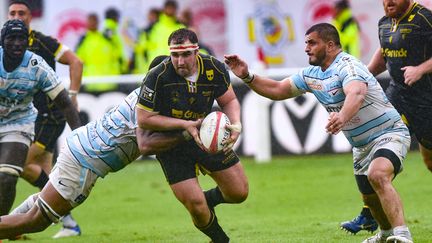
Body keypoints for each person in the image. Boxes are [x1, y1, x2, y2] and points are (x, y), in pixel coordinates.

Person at [225, 23, 413, 243]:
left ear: (330, 45)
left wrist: (341, 117)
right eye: (306, 43)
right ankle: (387, 234)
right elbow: (277, 90)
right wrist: (247, 76)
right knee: (370, 199)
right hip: (361, 146)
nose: (306, 48)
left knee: (378, 175)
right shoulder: (312, 74)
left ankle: (402, 235)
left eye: (312, 43)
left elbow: (357, 93)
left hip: (388, 132)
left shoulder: (348, 66)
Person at [0, 55, 191, 240]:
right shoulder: (147, 105)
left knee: (38, 205)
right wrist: (186, 133)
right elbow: (146, 144)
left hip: (82, 150)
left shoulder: (146, 97)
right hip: (84, 160)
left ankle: (9, 229)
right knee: (38, 220)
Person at [136, 28, 248, 243]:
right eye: (175, 55)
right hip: (170, 144)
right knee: (197, 208)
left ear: (197, 51)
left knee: (239, 192)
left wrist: (236, 124)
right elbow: (143, 119)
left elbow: (230, 101)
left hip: (205, 136)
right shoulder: (157, 75)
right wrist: (185, 125)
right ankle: (220, 239)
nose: (180, 61)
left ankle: (205, 201)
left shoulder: (214, 68)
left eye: (186, 54)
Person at [341, 0, 432, 239]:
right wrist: (363, 76)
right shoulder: (384, 24)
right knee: (377, 151)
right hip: (396, 97)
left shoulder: (424, 19)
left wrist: (421, 69)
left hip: (427, 101)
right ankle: (369, 212)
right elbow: (384, 54)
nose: (388, 1)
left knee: (430, 162)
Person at [7, 0, 83, 238]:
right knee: (44, 175)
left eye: (22, 13)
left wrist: (72, 94)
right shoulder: (6, 44)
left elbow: (76, 61)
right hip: (30, 119)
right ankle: (69, 223)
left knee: (17, 165)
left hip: (50, 116)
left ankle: (10, 225)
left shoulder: (43, 42)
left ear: (31, 17)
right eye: (12, 13)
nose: (16, 16)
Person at [82, 7, 128, 93]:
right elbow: (79, 61)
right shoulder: (84, 40)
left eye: (94, 20)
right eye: (91, 21)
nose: (93, 23)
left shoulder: (106, 38)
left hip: (109, 82)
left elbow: (117, 55)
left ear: (98, 22)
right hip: (91, 84)